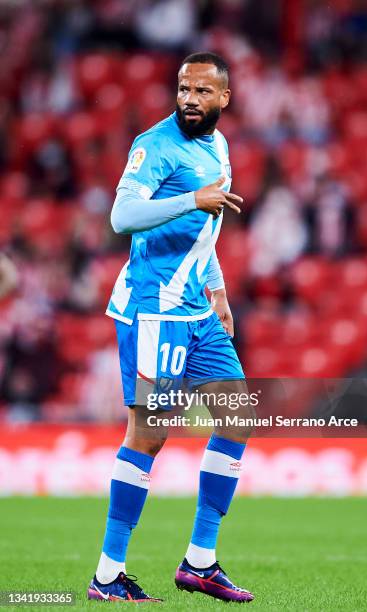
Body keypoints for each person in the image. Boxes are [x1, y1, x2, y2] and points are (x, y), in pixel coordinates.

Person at [87, 52, 254, 604]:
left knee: (236, 416)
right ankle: (108, 576)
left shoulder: (219, 146)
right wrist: (191, 198)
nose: (190, 99)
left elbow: (203, 233)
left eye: (203, 91)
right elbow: (121, 217)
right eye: (184, 88)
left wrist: (219, 291)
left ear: (224, 99)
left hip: (197, 309)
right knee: (151, 435)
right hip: (154, 309)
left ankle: (200, 562)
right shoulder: (154, 145)